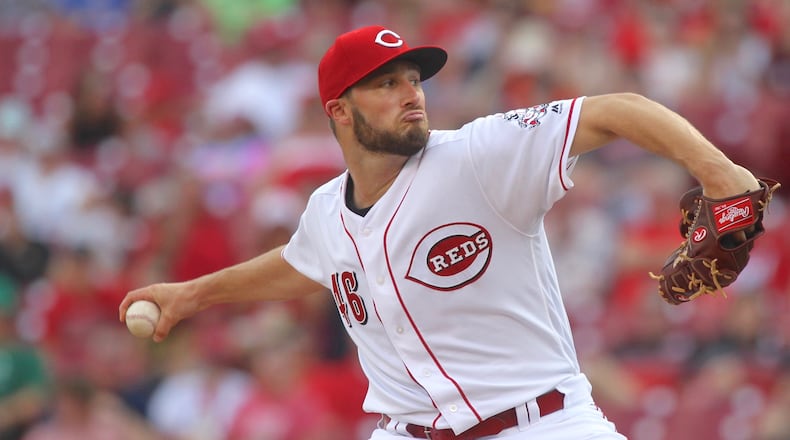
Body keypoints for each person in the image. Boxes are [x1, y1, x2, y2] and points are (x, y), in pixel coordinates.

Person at [119, 25, 761, 440]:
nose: (411, 94)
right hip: (408, 431)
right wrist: (193, 295)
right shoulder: (325, 210)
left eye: (414, 80)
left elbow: (619, 111)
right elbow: (301, 264)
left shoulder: (478, 156)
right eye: (387, 84)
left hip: (541, 424)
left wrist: (722, 174)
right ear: (339, 111)